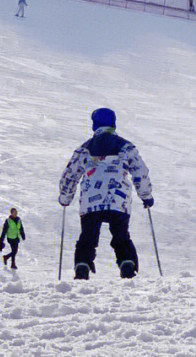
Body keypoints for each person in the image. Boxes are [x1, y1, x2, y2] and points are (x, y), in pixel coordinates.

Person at [59, 107, 153, 280]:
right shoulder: (125, 146)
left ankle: (82, 266)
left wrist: (65, 197)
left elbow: (70, 174)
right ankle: (127, 264)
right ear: (114, 124)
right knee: (121, 235)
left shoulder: (84, 148)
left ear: (94, 125)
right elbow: (140, 171)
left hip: (91, 201)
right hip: (119, 200)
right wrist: (146, 195)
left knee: (88, 236)